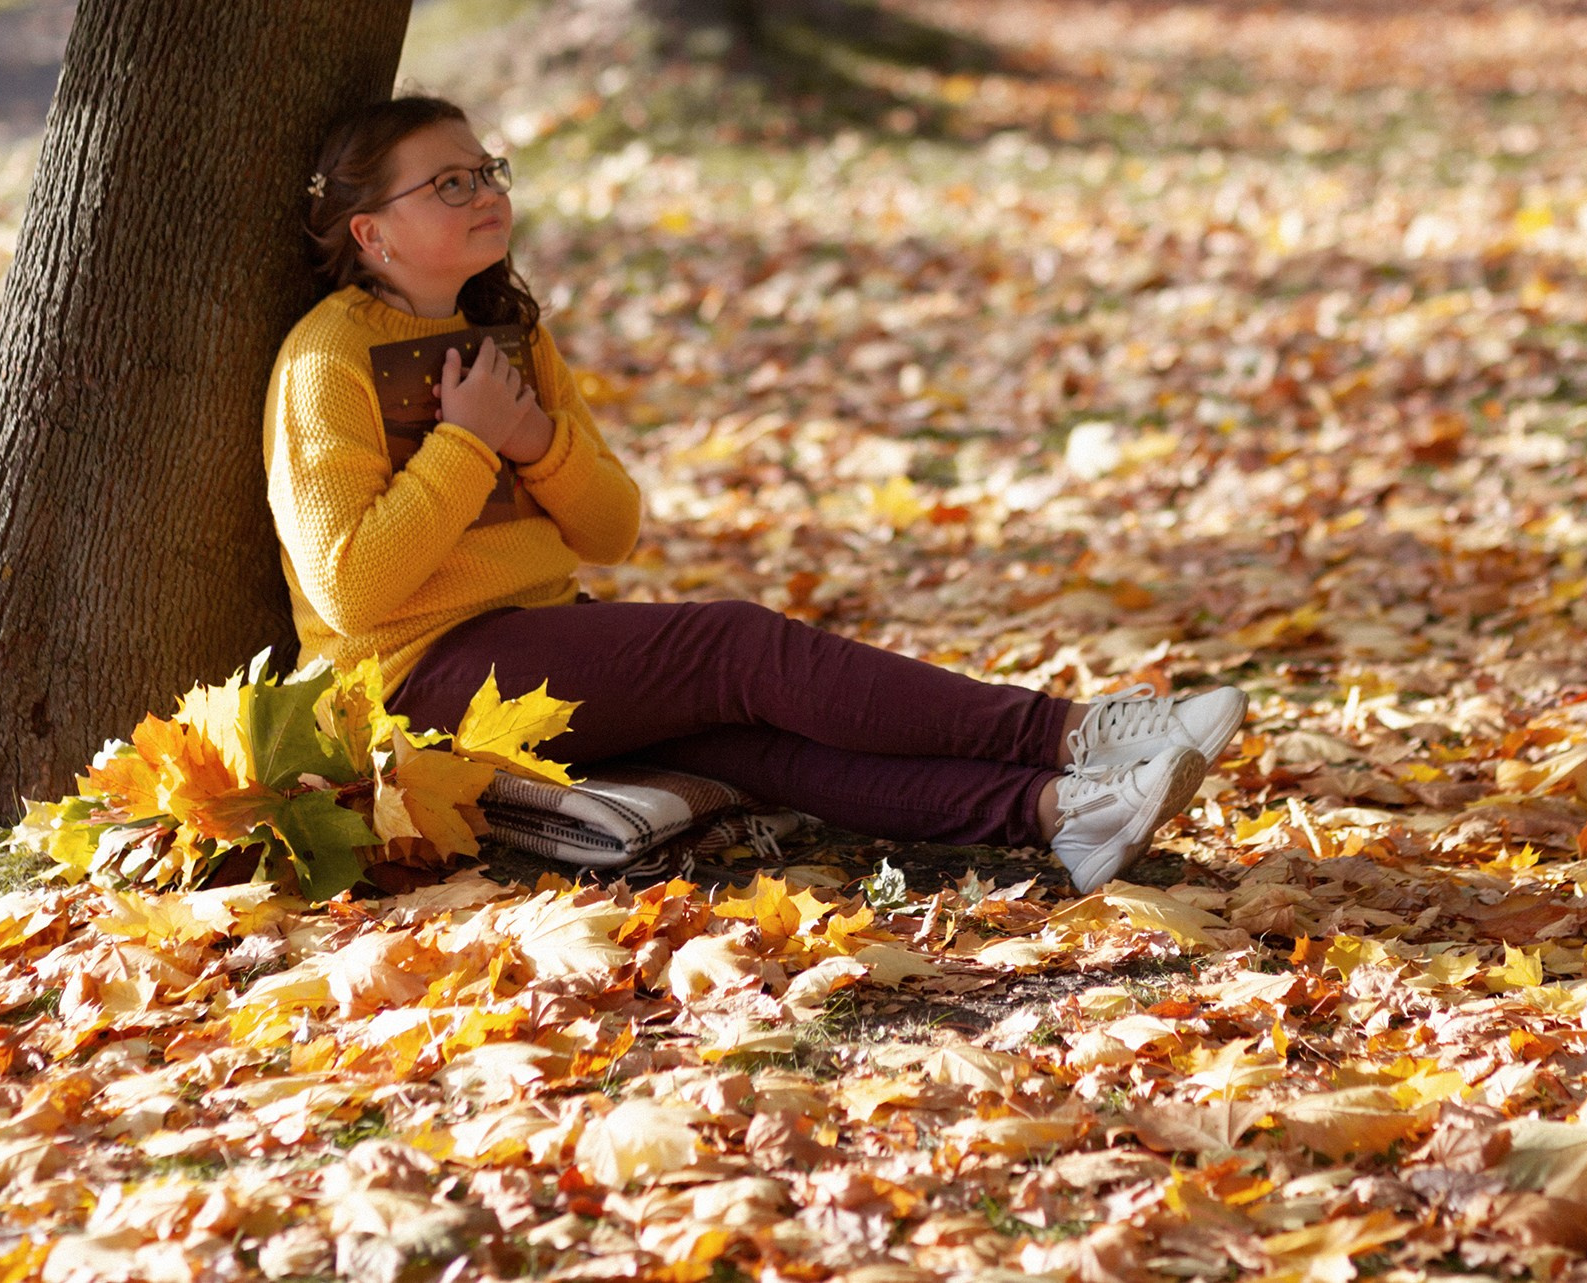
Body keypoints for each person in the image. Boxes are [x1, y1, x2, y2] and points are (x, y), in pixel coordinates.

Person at [264, 95, 1247, 892]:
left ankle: (1066, 812)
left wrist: (532, 440)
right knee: (735, 646)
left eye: (488, 171)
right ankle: (1076, 732)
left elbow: (611, 527)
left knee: (748, 744)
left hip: (537, 637)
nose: (484, 191)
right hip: (412, 687)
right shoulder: (327, 359)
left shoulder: (506, 332)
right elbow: (351, 589)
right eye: (449, 182)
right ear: (372, 231)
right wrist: (467, 442)